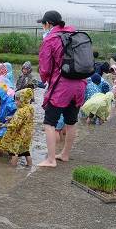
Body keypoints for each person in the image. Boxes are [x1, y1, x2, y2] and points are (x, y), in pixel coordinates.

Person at [36, 10, 86, 167]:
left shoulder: (50, 39)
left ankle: (51, 159)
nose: (43, 27)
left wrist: (46, 80)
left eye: (43, 24)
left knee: (49, 123)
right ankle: (65, 154)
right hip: (80, 84)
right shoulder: (73, 33)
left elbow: (44, 69)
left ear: (49, 24)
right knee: (71, 122)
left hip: (62, 87)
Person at [0, 88, 35, 166]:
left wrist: (4, 125)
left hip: (19, 134)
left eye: (16, 100)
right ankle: (30, 165)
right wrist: (12, 117)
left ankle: (12, 169)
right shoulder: (30, 108)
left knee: (14, 152)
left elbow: (15, 125)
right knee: (25, 151)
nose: (15, 102)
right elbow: (24, 119)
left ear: (22, 100)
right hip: (27, 134)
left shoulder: (20, 111)